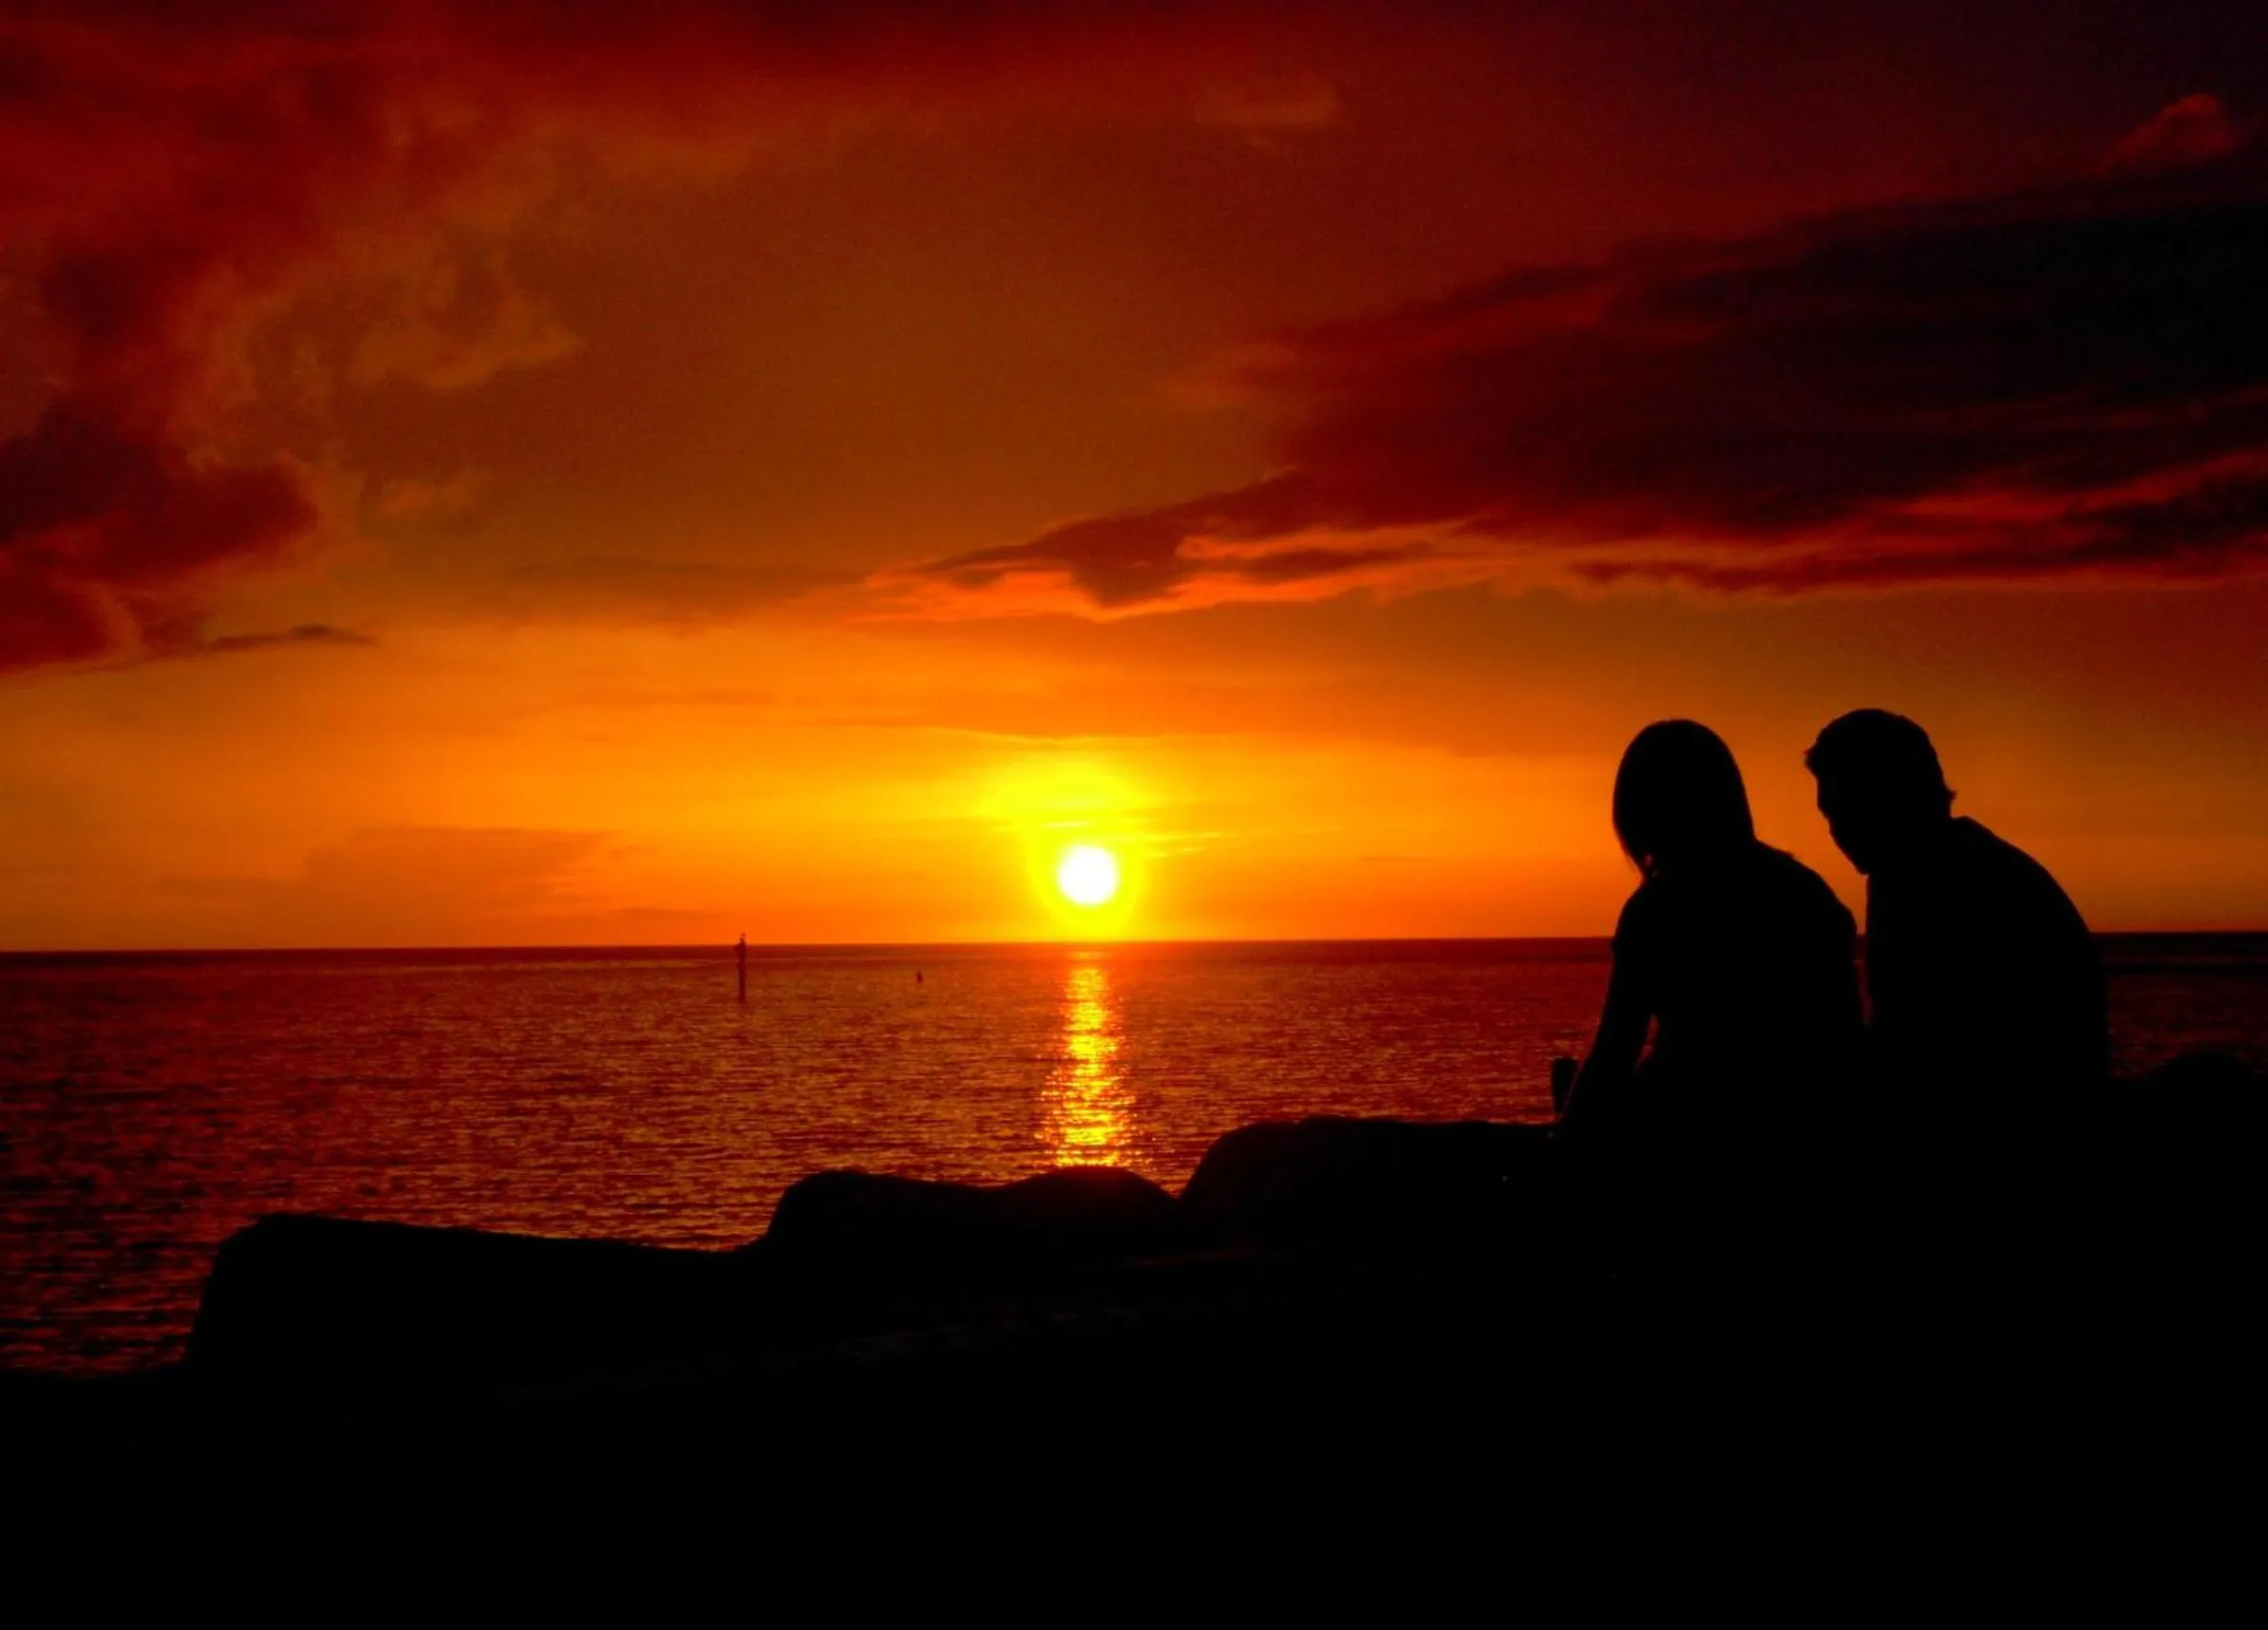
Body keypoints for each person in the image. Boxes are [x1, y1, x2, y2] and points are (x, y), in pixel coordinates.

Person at [1561, 720, 1863, 1148]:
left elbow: (1615, 1050)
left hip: (1689, 1130)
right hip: (1815, 1125)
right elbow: (1842, 1034)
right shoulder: (1804, 889)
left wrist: (1563, 1145)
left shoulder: (1657, 909)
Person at [1805, 710, 2107, 1098]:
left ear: (1898, 794)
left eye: (1849, 807)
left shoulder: (1943, 882)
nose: (1837, 831)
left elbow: (1922, 1047)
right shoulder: (1936, 866)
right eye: (1829, 814)